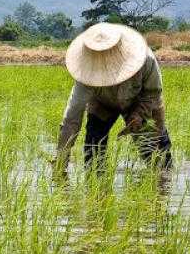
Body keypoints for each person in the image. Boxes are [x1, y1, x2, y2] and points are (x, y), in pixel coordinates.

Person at [54, 23, 172, 181]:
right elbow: (71, 119)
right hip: (102, 104)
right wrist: (61, 161)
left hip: (140, 100)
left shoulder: (145, 59)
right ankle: (96, 190)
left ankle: (162, 187)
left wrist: (138, 114)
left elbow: (153, 92)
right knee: (94, 152)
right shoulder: (85, 74)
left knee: (158, 155)